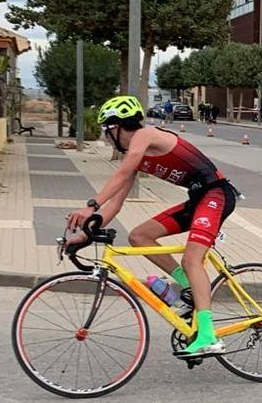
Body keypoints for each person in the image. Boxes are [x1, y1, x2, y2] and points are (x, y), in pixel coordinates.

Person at [66, 95, 238, 356]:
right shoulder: (135, 154)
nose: (105, 137)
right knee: (139, 236)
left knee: (192, 259)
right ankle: (190, 288)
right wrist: (85, 233)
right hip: (198, 199)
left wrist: (90, 205)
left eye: (106, 130)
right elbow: (115, 204)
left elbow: (121, 174)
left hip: (216, 194)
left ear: (117, 127)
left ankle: (207, 336)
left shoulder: (144, 136)